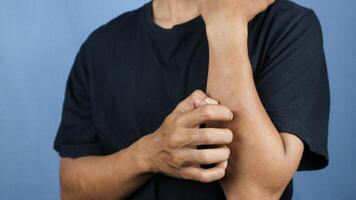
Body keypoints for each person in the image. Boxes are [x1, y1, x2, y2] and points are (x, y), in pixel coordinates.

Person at [53, 0, 330, 199]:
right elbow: (72, 191)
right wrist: (148, 155)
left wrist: (225, 26)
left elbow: (255, 194)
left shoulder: (287, 27)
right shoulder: (99, 47)